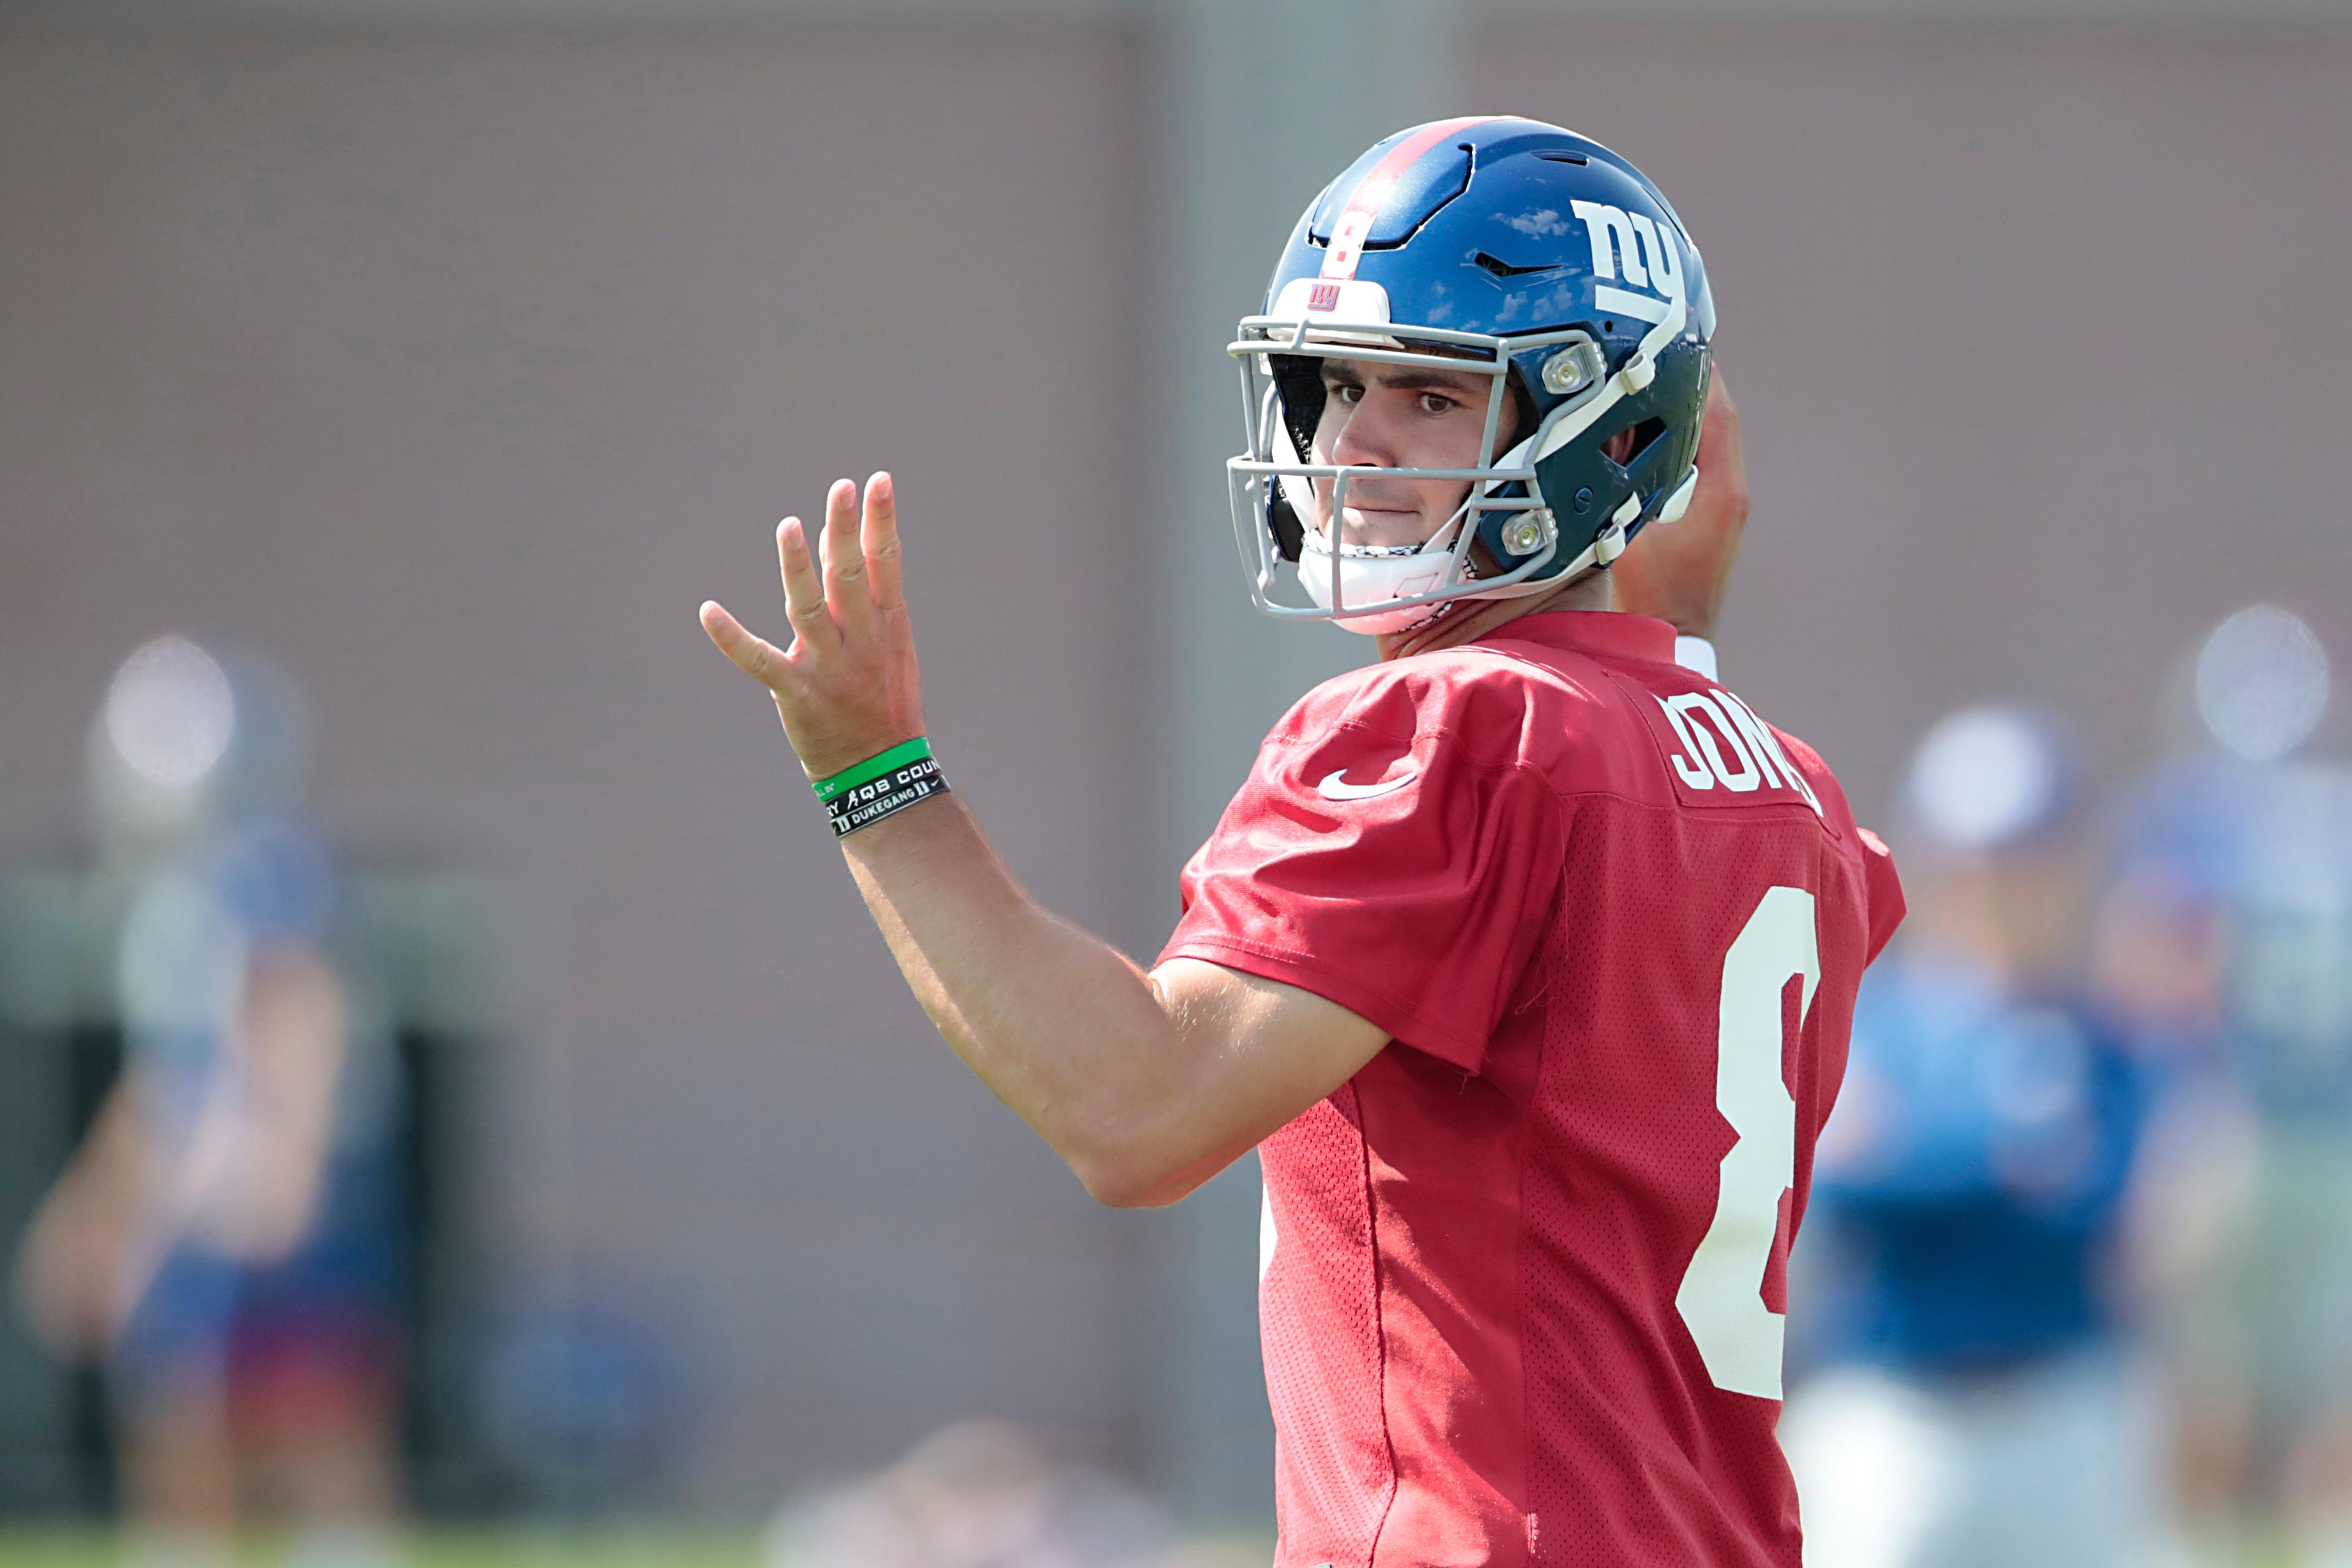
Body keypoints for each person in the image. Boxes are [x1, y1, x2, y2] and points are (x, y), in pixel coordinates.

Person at [701, 118, 1903, 1567]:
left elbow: (1138, 1109)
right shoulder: (1796, 794)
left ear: (1610, 431)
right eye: (1334, 386)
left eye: (1430, 393)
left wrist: (874, 778)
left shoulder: (1450, 727)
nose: (1353, 444)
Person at [16, 636, 405, 1568]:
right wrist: (96, 1208)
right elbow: (165, 1078)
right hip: (194, 1193)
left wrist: (288, 1160)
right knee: (175, 1414)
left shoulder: (267, 866)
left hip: (258, 1185)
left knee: (310, 1418)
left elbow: (293, 1006)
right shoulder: (168, 892)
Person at [1779, 704, 2162, 1568]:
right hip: (1892, 1406)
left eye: (2024, 862)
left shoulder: (2105, 1036)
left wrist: (1928, 1156)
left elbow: (2100, 1207)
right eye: (1977, 864)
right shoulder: (1871, 1017)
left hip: (2058, 1403)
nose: (1997, 888)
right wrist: (2003, 1159)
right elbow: (1848, 1189)